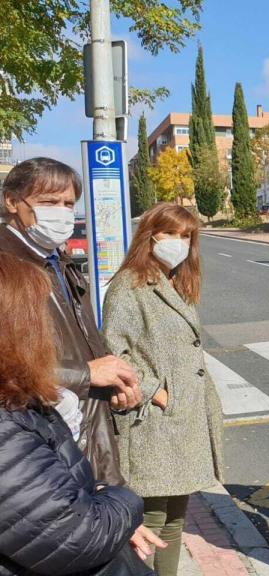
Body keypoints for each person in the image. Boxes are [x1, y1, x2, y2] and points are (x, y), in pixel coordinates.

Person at [0, 252, 164, 575]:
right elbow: (79, 533)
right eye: (37, 316)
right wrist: (122, 500)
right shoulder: (8, 427)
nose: (47, 329)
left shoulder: (17, 401)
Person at [0, 157, 141, 486]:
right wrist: (88, 374)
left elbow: (81, 345)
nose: (61, 212)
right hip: (36, 451)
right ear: (11, 201)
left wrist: (109, 386)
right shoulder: (8, 268)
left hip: (82, 433)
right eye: (48, 202)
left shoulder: (58, 262)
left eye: (68, 203)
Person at [102, 203, 225, 576]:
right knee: (150, 520)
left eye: (187, 236)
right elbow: (113, 352)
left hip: (181, 420)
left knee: (175, 519)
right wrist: (158, 393)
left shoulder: (176, 281)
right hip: (152, 422)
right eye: (171, 233)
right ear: (150, 235)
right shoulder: (131, 285)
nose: (179, 242)